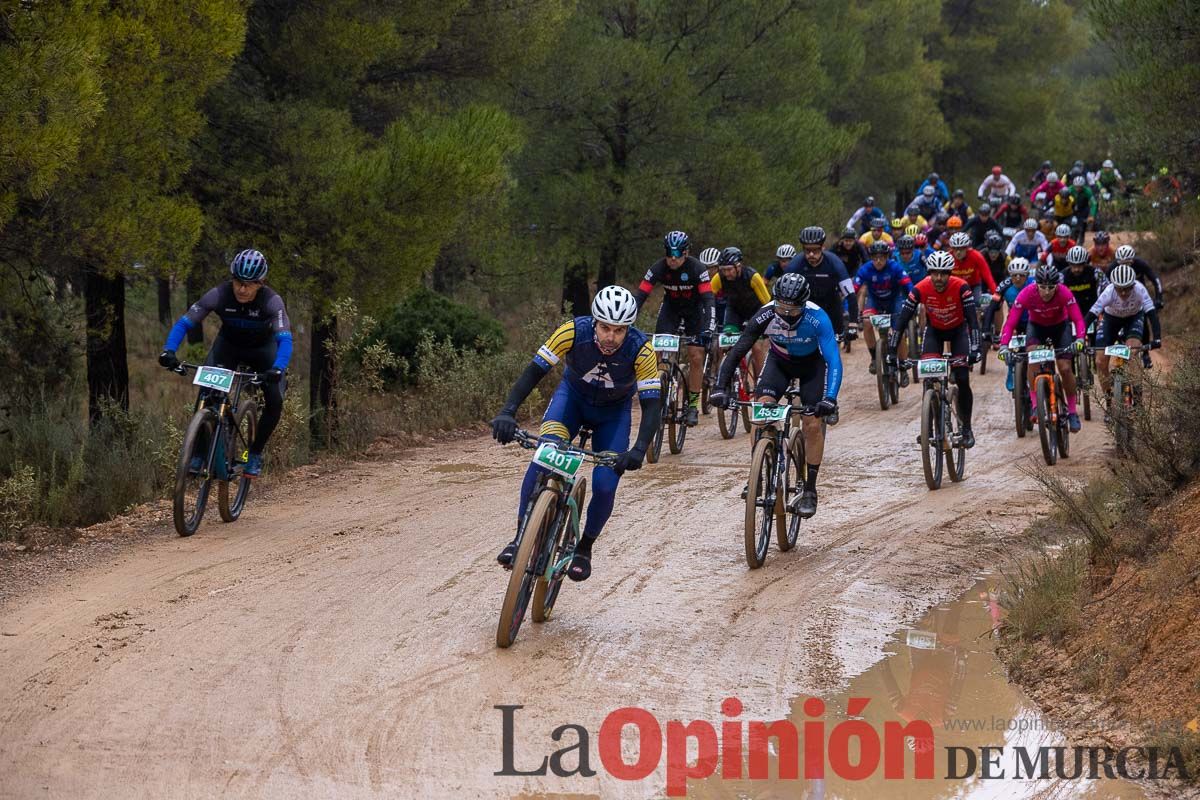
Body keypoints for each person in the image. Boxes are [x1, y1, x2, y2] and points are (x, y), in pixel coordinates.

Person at [490, 286, 660, 581]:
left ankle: (584, 548)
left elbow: (651, 403)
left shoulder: (641, 349)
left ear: (628, 329)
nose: (610, 337)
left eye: (619, 331)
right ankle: (520, 538)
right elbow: (533, 372)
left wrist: (639, 448)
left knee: (606, 485)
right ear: (595, 321)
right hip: (571, 402)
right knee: (544, 458)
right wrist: (508, 412)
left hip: (613, 415)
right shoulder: (572, 331)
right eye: (605, 327)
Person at [711, 273, 842, 518]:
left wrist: (830, 398)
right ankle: (757, 474)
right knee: (760, 413)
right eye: (781, 307)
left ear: (803, 305)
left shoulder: (818, 318)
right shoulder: (766, 313)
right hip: (779, 364)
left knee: (812, 424)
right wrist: (719, 387)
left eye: (793, 310)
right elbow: (739, 349)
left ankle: (811, 490)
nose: (786, 314)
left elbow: (834, 360)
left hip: (812, 367)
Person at [158, 249, 291, 477]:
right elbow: (185, 323)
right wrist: (169, 350)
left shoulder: (272, 301)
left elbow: (285, 339)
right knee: (206, 392)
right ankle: (198, 452)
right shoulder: (218, 294)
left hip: (262, 351)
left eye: (248, 284)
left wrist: (278, 367)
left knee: (274, 400)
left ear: (261, 283)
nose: (241, 289)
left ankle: (254, 454)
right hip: (228, 347)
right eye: (238, 282)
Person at [888, 250, 981, 448]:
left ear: (950, 273)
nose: (939, 278)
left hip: (958, 332)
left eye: (943, 273)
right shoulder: (920, 288)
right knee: (929, 378)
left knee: (963, 378)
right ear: (929, 272)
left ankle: (966, 428)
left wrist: (975, 348)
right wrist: (891, 351)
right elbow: (902, 320)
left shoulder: (961, 287)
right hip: (934, 332)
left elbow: (973, 321)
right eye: (934, 273)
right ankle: (928, 428)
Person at [634, 230, 715, 427]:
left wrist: (708, 328)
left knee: (696, 355)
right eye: (668, 253)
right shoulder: (658, 268)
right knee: (655, 352)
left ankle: (693, 405)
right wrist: (626, 319)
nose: (672, 258)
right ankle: (655, 391)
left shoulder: (697, 268)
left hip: (695, 313)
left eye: (677, 254)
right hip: (670, 311)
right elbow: (640, 295)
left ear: (686, 253)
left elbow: (708, 300)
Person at [997, 265, 1086, 433]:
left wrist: (1080, 339)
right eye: (1042, 287)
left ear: (1057, 286)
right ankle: (1035, 405)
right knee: (1033, 358)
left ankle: (1072, 412)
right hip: (1036, 327)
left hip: (1060, 328)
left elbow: (1078, 319)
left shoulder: (1064, 292)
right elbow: (1010, 323)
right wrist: (1003, 346)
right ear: (1035, 284)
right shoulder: (1027, 293)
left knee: (1066, 368)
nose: (1046, 291)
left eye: (1051, 287)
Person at [1083, 264, 1162, 408]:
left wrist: (1157, 337)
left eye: (1127, 288)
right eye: (1120, 288)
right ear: (1114, 286)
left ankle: (1138, 402)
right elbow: (1091, 315)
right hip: (1111, 320)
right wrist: (1080, 337)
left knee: (1132, 352)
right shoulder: (1108, 292)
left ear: (1133, 285)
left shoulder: (1140, 289)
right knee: (1100, 361)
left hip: (1133, 318)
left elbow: (1151, 314)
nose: (1124, 293)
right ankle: (1109, 401)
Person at [785, 226, 859, 344]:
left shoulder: (834, 263)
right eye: (807, 250)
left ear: (823, 247)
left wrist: (853, 322)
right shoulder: (795, 265)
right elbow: (781, 295)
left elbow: (850, 294)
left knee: (834, 346)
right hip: (806, 307)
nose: (811, 254)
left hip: (831, 306)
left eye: (815, 250)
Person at [856, 240, 913, 383]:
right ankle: (874, 357)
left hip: (894, 302)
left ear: (887, 257)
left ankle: (903, 367)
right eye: (875, 258)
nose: (878, 261)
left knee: (897, 333)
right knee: (867, 322)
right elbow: (854, 289)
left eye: (882, 257)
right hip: (875, 302)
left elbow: (908, 285)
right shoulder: (865, 269)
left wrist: (913, 299)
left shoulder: (895, 267)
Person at [710, 246, 771, 376]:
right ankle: (724, 378)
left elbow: (767, 303)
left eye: (729, 270)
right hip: (734, 311)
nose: (726, 274)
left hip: (756, 312)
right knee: (725, 344)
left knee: (757, 347)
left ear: (738, 266)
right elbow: (707, 298)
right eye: (723, 270)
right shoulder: (719, 278)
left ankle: (760, 384)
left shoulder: (752, 276)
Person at [983, 258, 1032, 391]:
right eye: (1014, 275)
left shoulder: (1034, 284)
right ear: (1010, 275)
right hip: (1014, 323)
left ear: (1027, 275)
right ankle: (1011, 370)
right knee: (1009, 347)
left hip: (1033, 322)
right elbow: (992, 308)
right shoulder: (1004, 286)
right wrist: (986, 330)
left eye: (1021, 275)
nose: (1017, 278)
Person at [1061, 245, 1107, 344]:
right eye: (1073, 265)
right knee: (1069, 342)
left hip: (1092, 311)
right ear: (1069, 263)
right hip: (1071, 312)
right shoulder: (1062, 276)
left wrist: (1102, 313)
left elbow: (1107, 291)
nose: (1077, 269)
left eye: (1080, 265)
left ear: (1085, 263)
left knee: (1098, 341)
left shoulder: (1096, 273)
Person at [948, 231, 997, 311]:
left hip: (973, 285)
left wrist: (996, 294)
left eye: (961, 248)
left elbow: (988, 276)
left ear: (967, 248)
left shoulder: (976, 256)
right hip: (955, 286)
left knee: (977, 302)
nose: (958, 252)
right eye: (955, 249)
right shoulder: (948, 257)